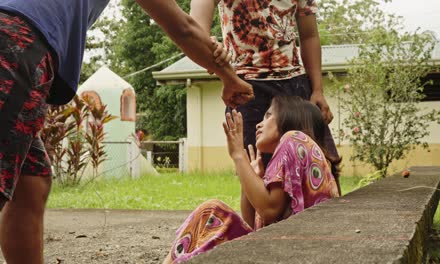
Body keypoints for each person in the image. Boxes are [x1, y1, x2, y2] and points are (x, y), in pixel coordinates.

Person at [0, 0, 253, 263]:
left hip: (20, 43)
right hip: (15, 42)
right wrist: (229, 77)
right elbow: (184, 28)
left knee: (31, 181)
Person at [164, 96, 341, 263]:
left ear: (291, 117)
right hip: (291, 252)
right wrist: (250, 178)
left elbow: (269, 209)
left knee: (212, 211)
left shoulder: (293, 138)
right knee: (210, 210)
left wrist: (238, 155)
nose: (258, 124)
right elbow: (253, 230)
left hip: (301, 254)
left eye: (269, 116)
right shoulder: (296, 160)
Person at [190, 0, 341, 186]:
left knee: (322, 171)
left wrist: (317, 90)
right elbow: (194, 31)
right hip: (245, 88)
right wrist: (209, 48)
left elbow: (309, 35)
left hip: (296, 86)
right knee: (258, 175)